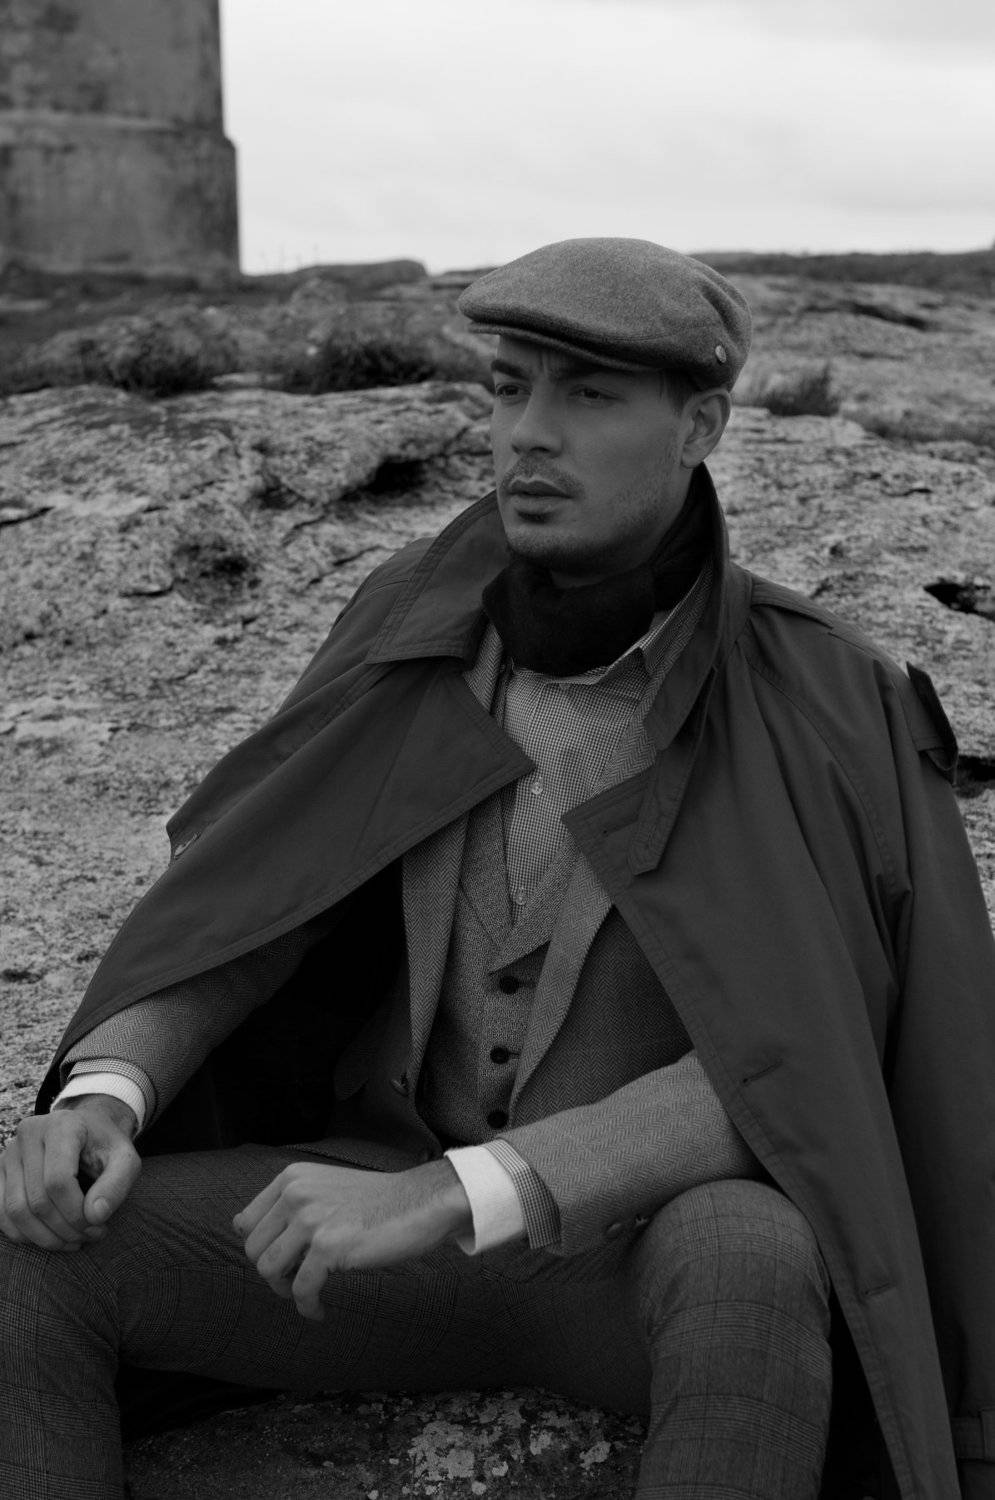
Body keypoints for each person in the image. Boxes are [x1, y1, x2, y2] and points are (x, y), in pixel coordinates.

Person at [0, 237, 993, 1500]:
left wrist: (466, 1189)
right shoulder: (415, 620)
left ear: (699, 425)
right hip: (374, 1223)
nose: (529, 433)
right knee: (34, 1253)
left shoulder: (824, 698)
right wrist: (109, 1093)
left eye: (588, 395)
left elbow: (800, 1062)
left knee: (750, 1250)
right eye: (508, 387)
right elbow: (261, 900)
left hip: (639, 1256)